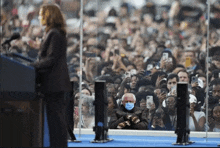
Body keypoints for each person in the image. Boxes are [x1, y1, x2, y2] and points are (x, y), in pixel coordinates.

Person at [30, 4, 71, 147]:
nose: (40, 17)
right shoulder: (55, 33)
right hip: (55, 83)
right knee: (55, 120)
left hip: (54, 83)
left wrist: (32, 66)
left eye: (42, 14)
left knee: (56, 121)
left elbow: (51, 59)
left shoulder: (53, 33)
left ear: (49, 15)